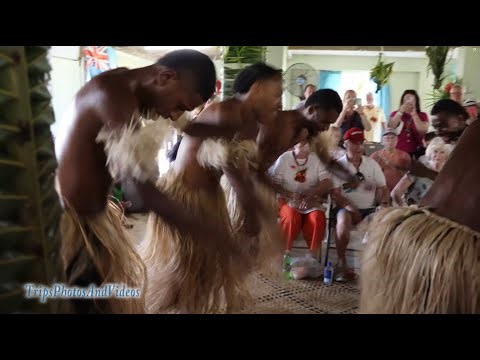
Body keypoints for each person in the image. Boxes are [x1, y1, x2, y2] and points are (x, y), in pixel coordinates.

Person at [55, 49, 218, 314]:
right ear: (165, 77)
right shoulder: (113, 96)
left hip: (92, 218)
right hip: (74, 222)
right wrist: (206, 231)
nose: (175, 115)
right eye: (179, 105)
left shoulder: (125, 86)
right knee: (84, 302)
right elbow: (138, 188)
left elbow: (187, 127)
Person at [139, 63, 284, 314]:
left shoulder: (251, 123)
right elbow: (233, 172)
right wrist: (252, 215)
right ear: (258, 89)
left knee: (204, 271)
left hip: (209, 198)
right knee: (182, 267)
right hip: (184, 196)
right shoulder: (225, 113)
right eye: (277, 93)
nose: (279, 101)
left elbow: (248, 171)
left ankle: (188, 306)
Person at [360, 99, 480, 313]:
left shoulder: (471, 135)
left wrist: (427, 173)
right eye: (436, 126)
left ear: (461, 118)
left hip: (450, 236)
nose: (440, 131)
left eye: (444, 124)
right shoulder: (467, 137)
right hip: (444, 234)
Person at [330, 128, 388, 282]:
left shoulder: (372, 164)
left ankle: (376, 266)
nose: (358, 147)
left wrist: (383, 203)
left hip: (369, 208)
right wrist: (350, 208)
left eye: (361, 143)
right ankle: (342, 262)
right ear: (345, 143)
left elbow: (383, 188)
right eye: (354, 143)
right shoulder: (338, 166)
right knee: (343, 220)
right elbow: (335, 194)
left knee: (384, 220)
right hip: (345, 208)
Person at [270, 141, 332, 259]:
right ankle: (285, 255)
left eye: (307, 143)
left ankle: (313, 257)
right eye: (301, 143)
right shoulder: (284, 158)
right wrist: (290, 194)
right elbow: (274, 183)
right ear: (294, 144)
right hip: (287, 199)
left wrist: (311, 196)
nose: (305, 146)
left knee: (318, 218)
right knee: (291, 216)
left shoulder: (316, 159)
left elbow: (326, 181)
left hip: (310, 200)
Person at [387, 90, 429, 158]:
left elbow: (423, 131)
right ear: (402, 102)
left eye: (412, 101)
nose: (409, 103)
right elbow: (390, 127)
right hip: (398, 150)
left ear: (416, 103)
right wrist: (400, 112)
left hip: (418, 151)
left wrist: (414, 114)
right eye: (406, 100)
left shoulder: (422, 115)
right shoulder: (395, 114)